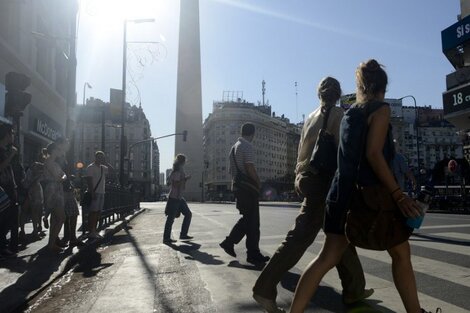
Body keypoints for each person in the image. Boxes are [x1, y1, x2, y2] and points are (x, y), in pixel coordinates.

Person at [289, 60, 439, 313]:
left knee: (326, 258)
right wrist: (398, 195)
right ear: (383, 87)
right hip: (370, 197)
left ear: (361, 86)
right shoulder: (380, 110)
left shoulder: (349, 115)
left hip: (340, 195)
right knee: (401, 255)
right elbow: (374, 154)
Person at [252, 77, 372, 313]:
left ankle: (355, 289)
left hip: (307, 178)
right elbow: (343, 153)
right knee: (300, 237)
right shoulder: (339, 115)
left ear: (319, 94)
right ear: (338, 94)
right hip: (325, 182)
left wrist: (299, 177)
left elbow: (301, 152)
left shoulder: (310, 116)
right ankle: (264, 289)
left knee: (339, 233)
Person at [219, 123, 270, 264]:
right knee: (253, 222)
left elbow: (231, 171)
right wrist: (258, 183)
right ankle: (250, 253)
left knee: (248, 220)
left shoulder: (234, 147)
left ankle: (234, 245)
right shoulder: (247, 146)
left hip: (238, 187)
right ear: (252, 133)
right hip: (247, 189)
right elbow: (249, 166)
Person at [163, 154, 193, 244]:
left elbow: (178, 182)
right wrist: (185, 179)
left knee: (188, 214)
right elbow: (175, 184)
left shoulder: (179, 170)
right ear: (182, 162)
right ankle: (166, 238)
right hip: (174, 198)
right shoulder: (177, 171)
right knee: (170, 219)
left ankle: (183, 234)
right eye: (184, 161)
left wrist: (185, 179)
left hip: (179, 197)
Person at [43, 142, 67, 253]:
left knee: (57, 218)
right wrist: (62, 177)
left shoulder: (55, 163)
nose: (59, 151)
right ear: (53, 150)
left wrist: (63, 177)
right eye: (58, 149)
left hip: (57, 190)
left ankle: (51, 244)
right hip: (53, 191)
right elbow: (60, 177)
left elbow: (64, 175)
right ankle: (51, 244)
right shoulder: (49, 162)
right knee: (61, 217)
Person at [0, 124, 18, 258]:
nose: (13, 135)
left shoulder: (6, 150)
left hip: (9, 187)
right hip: (3, 188)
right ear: (6, 134)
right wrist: (11, 155)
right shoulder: (2, 151)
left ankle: (4, 246)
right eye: (12, 133)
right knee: (5, 218)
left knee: (10, 218)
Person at [85, 151, 112, 239]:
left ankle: (94, 230)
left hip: (101, 192)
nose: (100, 159)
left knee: (98, 212)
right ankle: (91, 231)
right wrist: (92, 192)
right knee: (93, 212)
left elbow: (112, 171)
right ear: (95, 157)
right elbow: (89, 181)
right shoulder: (90, 167)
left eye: (102, 157)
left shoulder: (103, 167)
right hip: (95, 192)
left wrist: (106, 162)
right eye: (99, 157)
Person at [20, 149, 46, 240]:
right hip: (34, 190)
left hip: (28, 190)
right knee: (35, 212)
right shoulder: (39, 166)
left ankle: (23, 231)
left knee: (24, 211)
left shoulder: (34, 165)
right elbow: (37, 179)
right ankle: (35, 232)